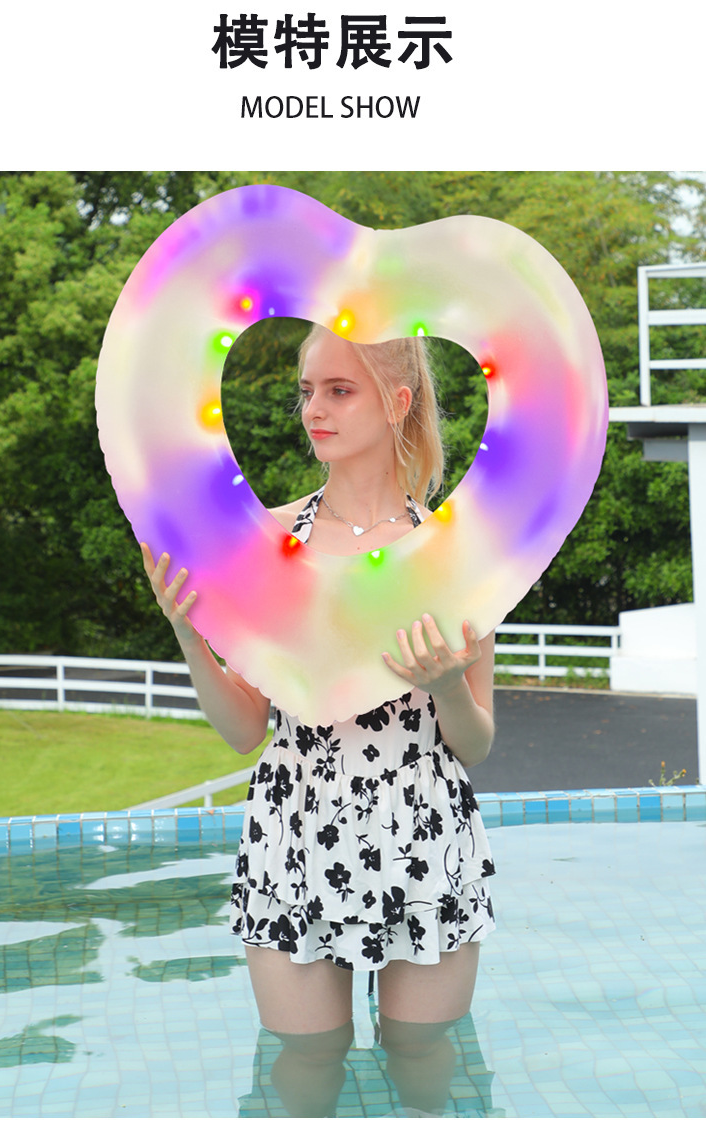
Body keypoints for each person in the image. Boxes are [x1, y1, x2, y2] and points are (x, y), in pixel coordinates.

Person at [142, 325, 496, 1116]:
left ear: (396, 402)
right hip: (295, 832)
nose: (314, 410)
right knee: (304, 1072)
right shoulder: (265, 543)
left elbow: (474, 743)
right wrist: (189, 636)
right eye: (308, 391)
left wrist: (447, 686)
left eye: (339, 390)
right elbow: (245, 730)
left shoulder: (457, 553)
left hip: (424, 834)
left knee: (424, 1070)